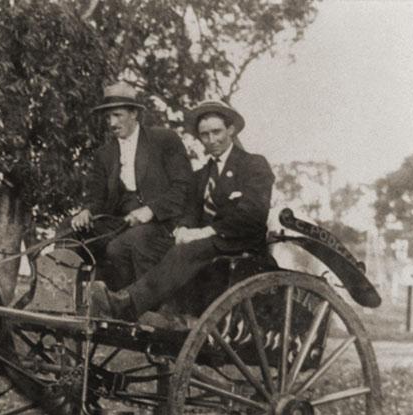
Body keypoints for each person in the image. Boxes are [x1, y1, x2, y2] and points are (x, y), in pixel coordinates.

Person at [89, 99, 274, 321]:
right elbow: (190, 210)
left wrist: (206, 232)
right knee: (139, 241)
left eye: (217, 132)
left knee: (187, 250)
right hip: (207, 243)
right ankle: (158, 312)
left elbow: (253, 215)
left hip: (238, 242)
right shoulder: (202, 174)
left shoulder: (253, 165)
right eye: (205, 135)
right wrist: (184, 227)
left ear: (231, 130)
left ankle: (129, 303)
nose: (211, 140)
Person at [69, 81, 192, 290]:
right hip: (119, 223)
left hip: (161, 224)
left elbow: (184, 187)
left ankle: (133, 305)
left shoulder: (163, 140)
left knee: (121, 246)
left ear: (134, 113)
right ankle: (65, 300)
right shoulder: (104, 154)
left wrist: (151, 210)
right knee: (68, 231)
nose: (111, 123)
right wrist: (86, 211)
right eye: (108, 117)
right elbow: (97, 197)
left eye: (117, 115)